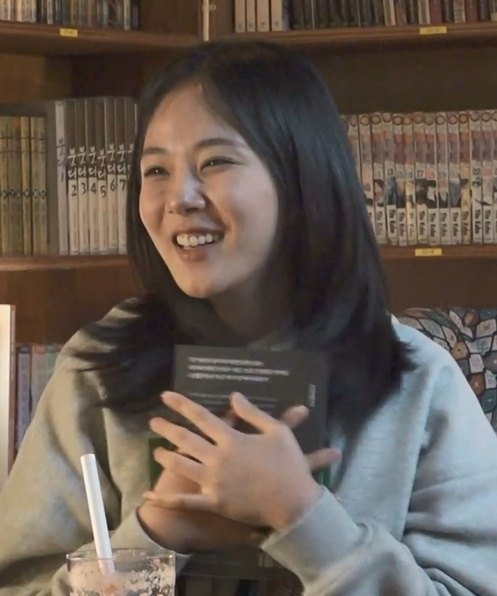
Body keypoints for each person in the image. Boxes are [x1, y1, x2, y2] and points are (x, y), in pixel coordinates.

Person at [1, 39, 497, 596]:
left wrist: (304, 518)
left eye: (214, 162)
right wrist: (157, 534)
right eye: (156, 170)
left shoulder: (417, 383)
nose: (178, 198)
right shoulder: (96, 371)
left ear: (301, 175)